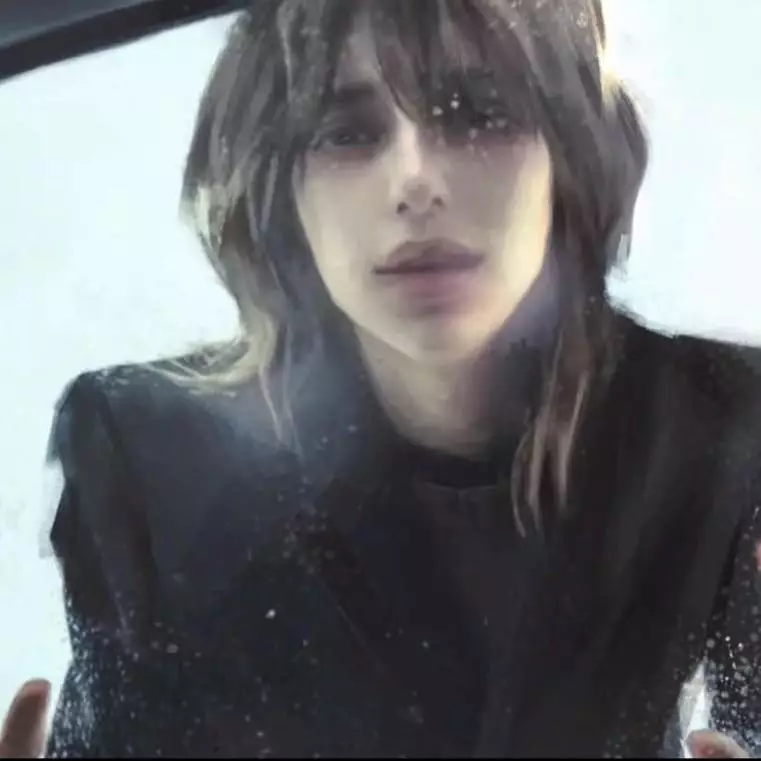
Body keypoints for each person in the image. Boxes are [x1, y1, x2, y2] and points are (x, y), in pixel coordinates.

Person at [3, 0, 761, 756]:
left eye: (480, 114)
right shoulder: (144, 451)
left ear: (569, 155)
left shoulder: (720, 428)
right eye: (346, 132)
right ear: (280, 186)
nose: (414, 181)